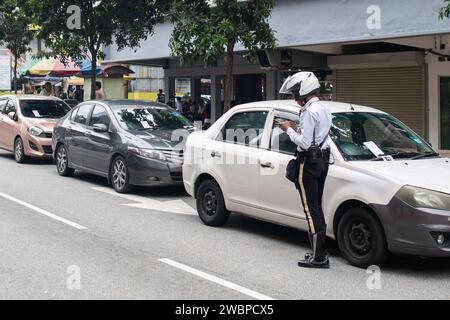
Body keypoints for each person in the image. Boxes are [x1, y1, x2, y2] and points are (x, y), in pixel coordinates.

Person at [278, 71, 332, 269]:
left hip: (308, 163)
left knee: (310, 210)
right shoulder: (323, 108)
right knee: (316, 206)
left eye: (295, 92)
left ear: (304, 89)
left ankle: (319, 257)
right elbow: (318, 137)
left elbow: (305, 142)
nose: (294, 96)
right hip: (322, 162)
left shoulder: (309, 111)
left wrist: (288, 129)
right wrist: (296, 128)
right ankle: (320, 252)